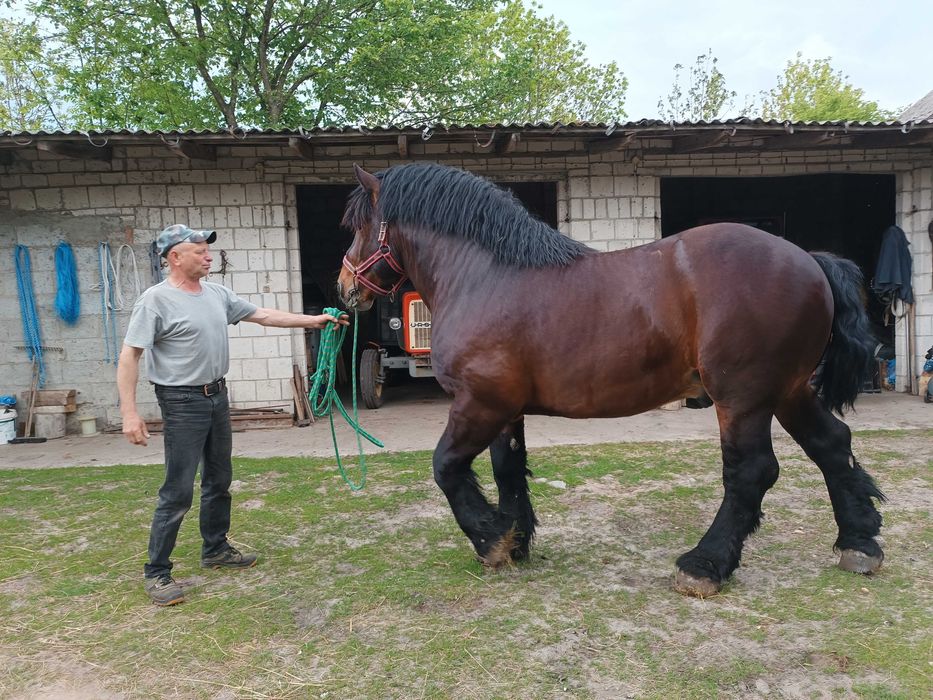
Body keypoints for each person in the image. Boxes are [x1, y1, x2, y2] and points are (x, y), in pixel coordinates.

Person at [117, 224, 348, 606]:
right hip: (181, 401)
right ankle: (157, 572)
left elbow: (263, 315)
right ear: (175, 257)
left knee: (219, 479)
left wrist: (313, 321)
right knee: (178, 490)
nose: (208, 257)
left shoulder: (217, 294)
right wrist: (129, 413)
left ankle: (215, 549)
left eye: (207, 250)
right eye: (199, 251)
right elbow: (130, 355)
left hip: (216, 396)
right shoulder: (155, 301)